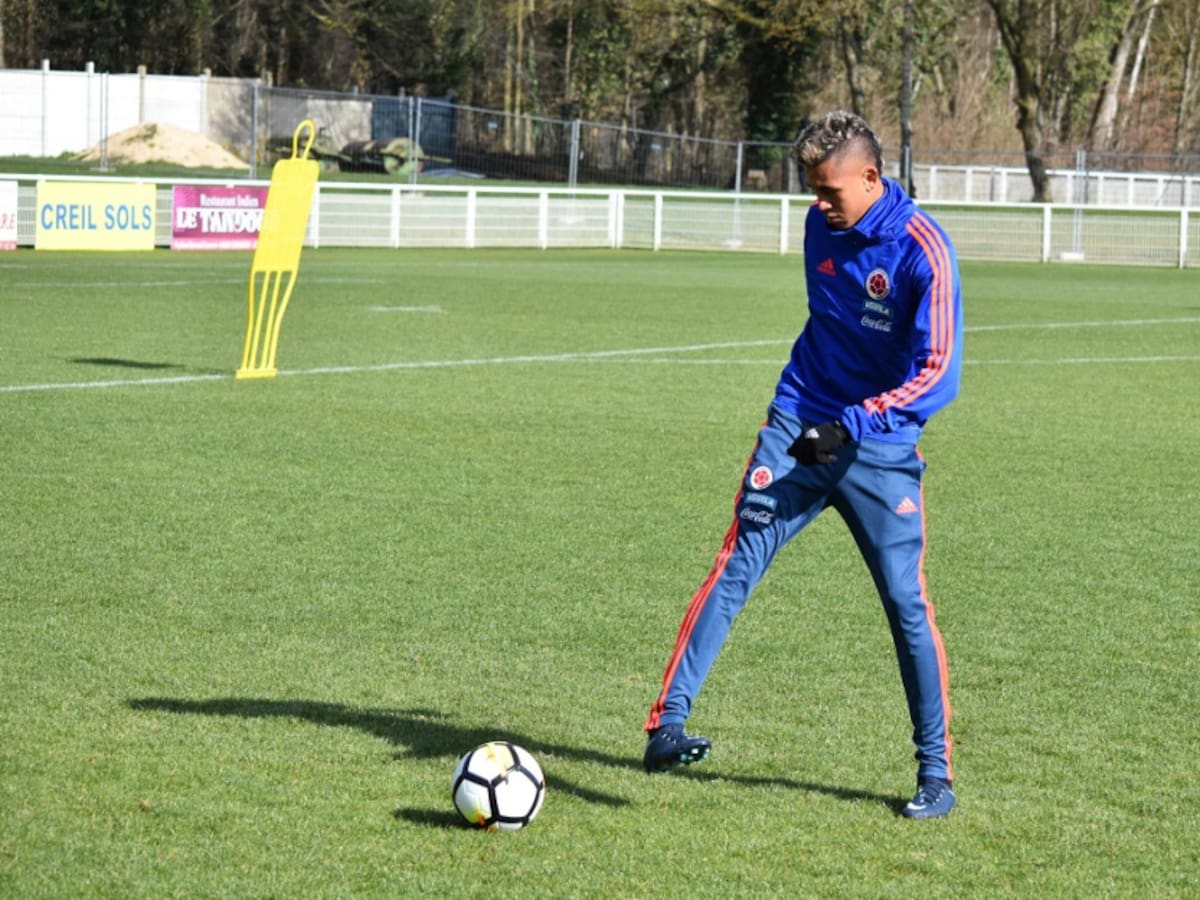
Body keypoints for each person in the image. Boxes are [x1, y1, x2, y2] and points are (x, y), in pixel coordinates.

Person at [641, 110, 964, 819]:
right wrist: (818, 420)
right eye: (811, 191)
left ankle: (935, 774)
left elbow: (940, 372)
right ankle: (666, 727)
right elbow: (829, 330)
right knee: (739, 558)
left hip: (877, 449)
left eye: (829, 191)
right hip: (809, 426)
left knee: (905, 603)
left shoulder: (923, 251)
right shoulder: (822, 227)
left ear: (872, 178)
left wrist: (866, 417)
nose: (817, 207)